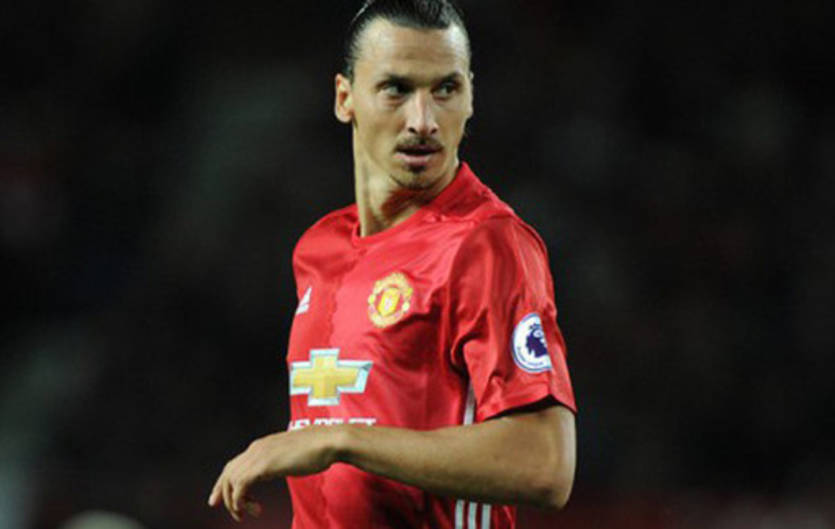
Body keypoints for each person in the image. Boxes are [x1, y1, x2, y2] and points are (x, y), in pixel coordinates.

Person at [208, 1, 577, 527]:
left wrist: (342, 440)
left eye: (445, 89)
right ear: (345, 98)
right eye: (396, 89)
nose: (423, 121)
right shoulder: (318, 249)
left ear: (471, 97)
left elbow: (544, 464)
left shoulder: (485, 244)